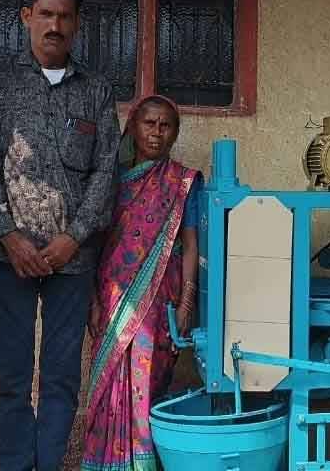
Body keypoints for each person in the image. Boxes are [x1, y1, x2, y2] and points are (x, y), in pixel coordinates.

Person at [0, 0, 119, 471]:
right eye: (46, 14)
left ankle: (49, 463)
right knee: (12, 377)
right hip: (6, 258)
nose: (55, 25)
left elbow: (106, 171)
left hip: (71, 261)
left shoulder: (96, 90)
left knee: (61, 377)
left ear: (77, 24)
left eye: (65, 16)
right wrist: (8, 235)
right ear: (26, 16)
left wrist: (73, 238)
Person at [79, 95, 203, 471]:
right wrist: (93, 301)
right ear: (133, 127)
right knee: (107, 385)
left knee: (148, 382)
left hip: (160, 302)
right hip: (112, 299)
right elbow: (95, 243)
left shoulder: (183, 183)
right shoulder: (112, 182)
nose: (156, 132)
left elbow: (191, 245)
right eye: (149, 123)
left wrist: (186, 303)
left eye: (166, 125)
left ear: (175, 133)